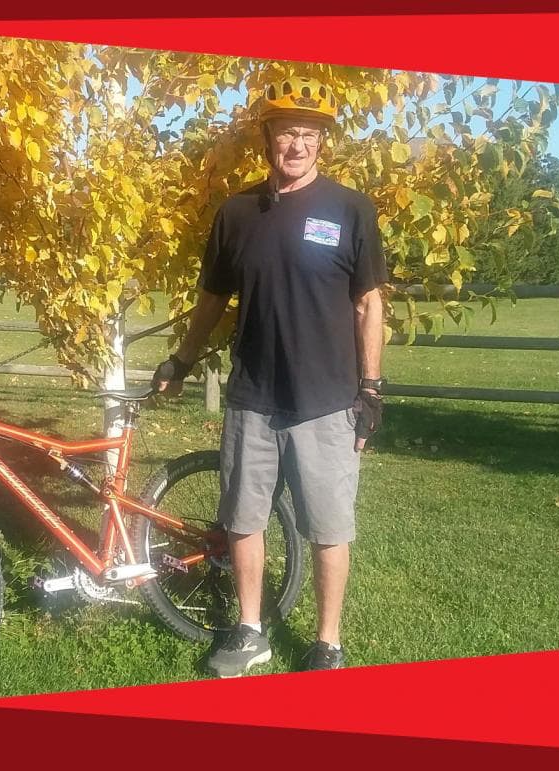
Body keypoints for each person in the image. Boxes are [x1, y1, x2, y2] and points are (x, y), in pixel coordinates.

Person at [152, 75, 386, 676]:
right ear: (269, 140)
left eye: (308, 135)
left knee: (329, 528)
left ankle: (327, 643)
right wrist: (181, 360)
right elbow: (211, 302)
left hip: (326, 401)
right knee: (243, 519)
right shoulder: (236, 214)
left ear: (322, 144)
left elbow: (369, 304)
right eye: (287, 134)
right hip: (252, 398)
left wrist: (371, 389)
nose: (297, 146)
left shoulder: (350, 209)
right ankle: (250, 629)